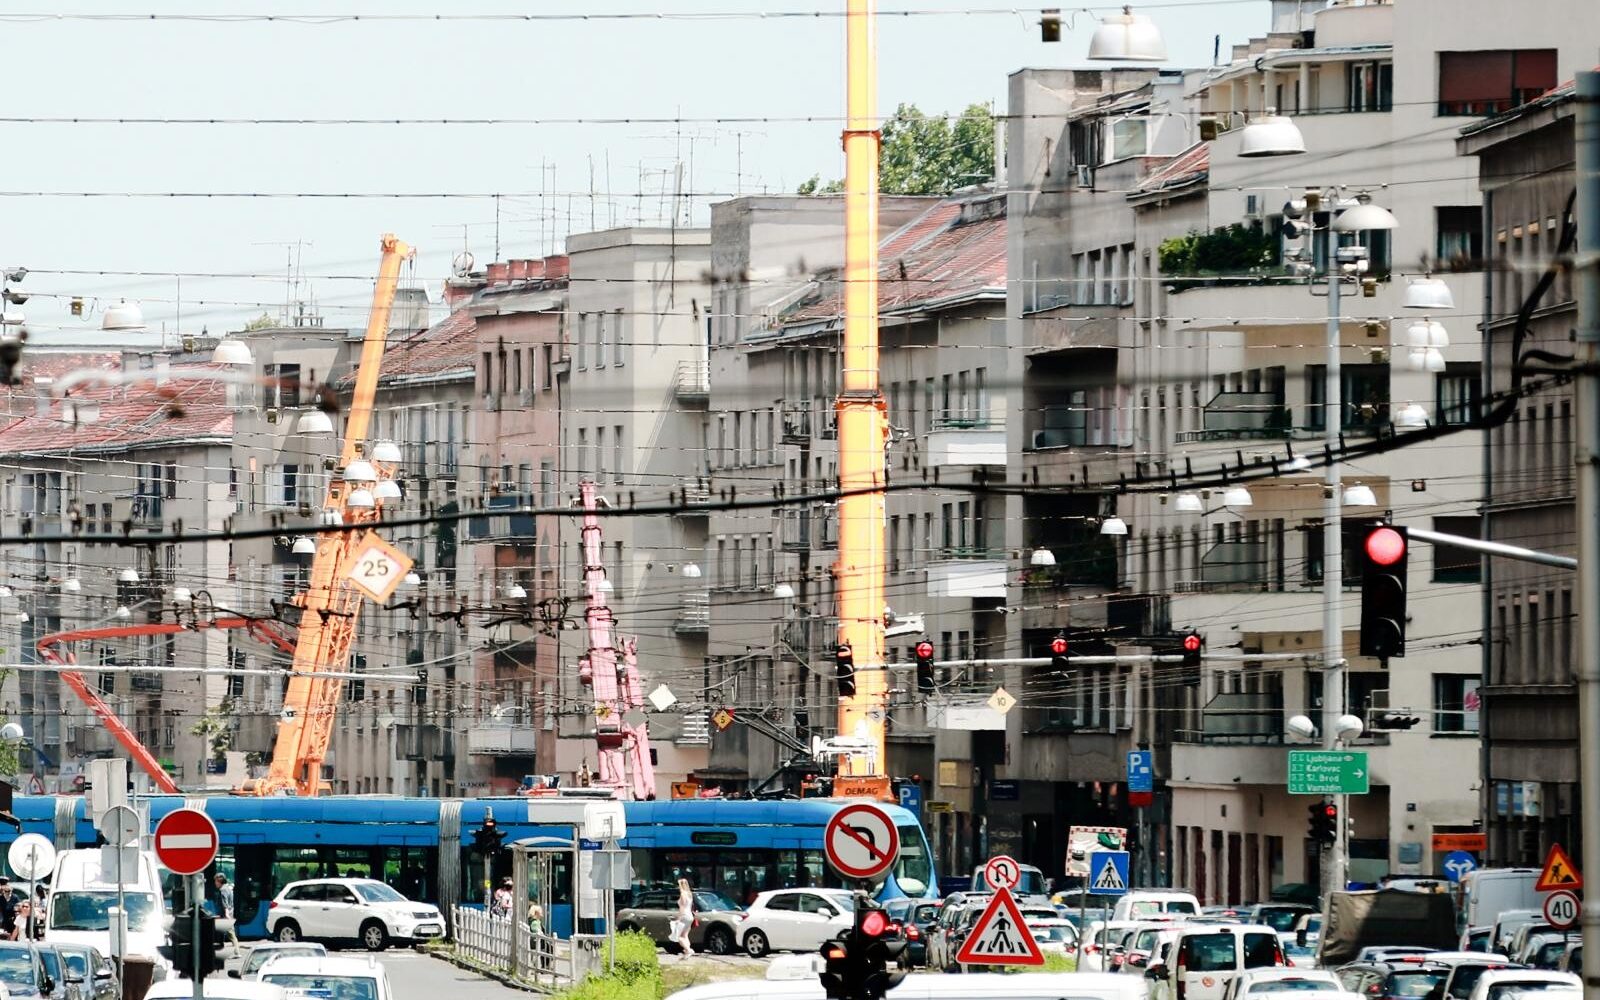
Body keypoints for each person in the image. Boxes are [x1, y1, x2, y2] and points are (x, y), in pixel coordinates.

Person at [670, 878, 695, 956]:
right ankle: (688, 950)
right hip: (690, 916)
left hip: (684, 915)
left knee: (679, 936)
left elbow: (682, 907)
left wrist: (679, 919)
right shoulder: (689, 894)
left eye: (678, 885)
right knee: (685, 935)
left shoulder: (683, 894)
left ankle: (688, 950)